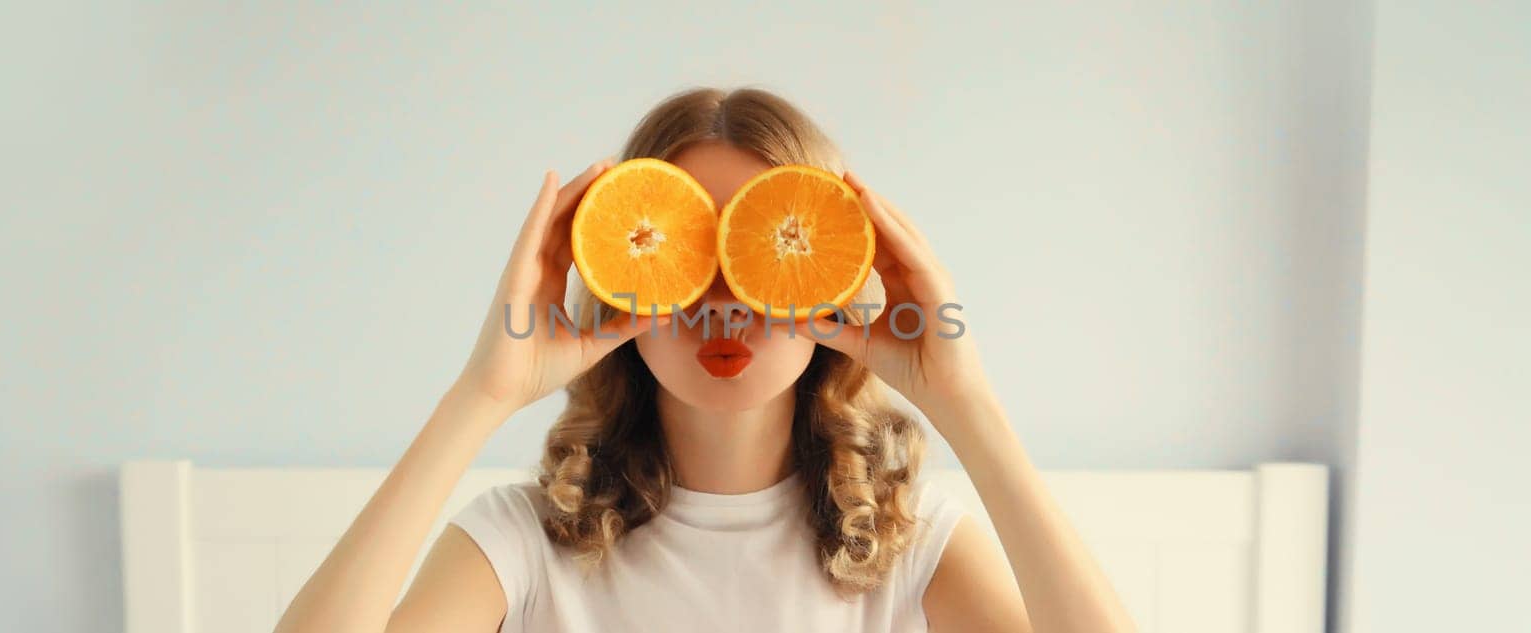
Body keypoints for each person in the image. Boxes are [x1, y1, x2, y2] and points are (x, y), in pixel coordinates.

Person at [275, 87, 1136, 633]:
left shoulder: (909, 550)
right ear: (620, 278)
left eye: (767, 250)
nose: (721, 302)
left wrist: (967, 403)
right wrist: (480, 394)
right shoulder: (526, 542)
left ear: (835, 273)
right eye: (681, 253)